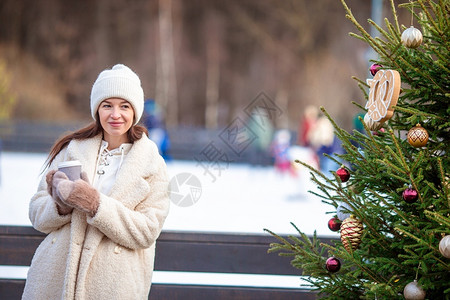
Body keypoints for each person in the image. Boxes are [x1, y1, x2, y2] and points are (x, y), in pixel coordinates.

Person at [22, 64, 170, 300]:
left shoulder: (152, 163)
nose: (115, 114)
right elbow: (36, 212)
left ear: (135, 111)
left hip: (112, 287)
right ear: (96, 109)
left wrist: (94, 203)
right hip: (54, 283)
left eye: (124, 106)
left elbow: (147, 231)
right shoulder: (72, 149)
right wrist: (62, 205)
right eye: (107, 105)